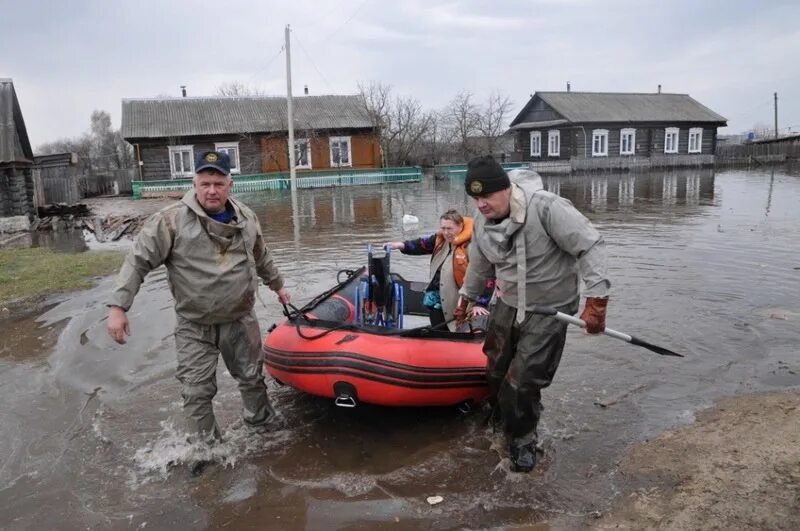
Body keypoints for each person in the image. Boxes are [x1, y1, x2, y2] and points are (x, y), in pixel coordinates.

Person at [106, 150, 290, 444]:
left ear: (230, 185)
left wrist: (278, 285)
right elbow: (137, 260)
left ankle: (263, 430)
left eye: (218, 183)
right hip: (194, 324)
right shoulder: (170, 221)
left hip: (240, 320)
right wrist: (118, 306)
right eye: (205, 183)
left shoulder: (247, 218)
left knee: (253, 379)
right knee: (196, 391)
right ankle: (205, 451)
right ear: (195, 184)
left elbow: (261, 255)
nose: (212, 190)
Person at [456, 156, 610, 473]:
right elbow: (481, 262)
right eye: (476, 198)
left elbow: (590, 244)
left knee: (522, 379)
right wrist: (467, 297)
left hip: (550, 308)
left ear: (506, 189)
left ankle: (524, 439)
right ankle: (505, 416)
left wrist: (597, 299)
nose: (481, 204)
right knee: (496, 369)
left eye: (487, 196)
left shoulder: (547, 208)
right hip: (508, 302)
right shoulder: (482, 221)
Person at [385, 209, 492, 331]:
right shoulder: (440, 240)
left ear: (461, 226)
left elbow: (486, 274)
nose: (446, 232)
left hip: (460, 299)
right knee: (438, 330)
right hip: (436, 298)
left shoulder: (473, 246)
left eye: (449, 229)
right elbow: (422, 244)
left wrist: (481, 303)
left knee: (458, 331)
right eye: (443, 228)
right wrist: (401, 245)